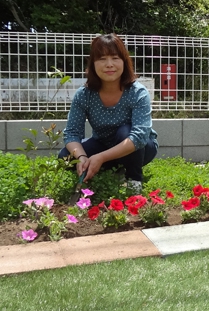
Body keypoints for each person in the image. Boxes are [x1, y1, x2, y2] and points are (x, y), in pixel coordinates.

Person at [59, 33, 158, 193]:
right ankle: (109, 172)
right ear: (93, 64)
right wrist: (82, 157)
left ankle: (134, 181)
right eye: (102, 59)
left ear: (124, 62)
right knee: (65, 156)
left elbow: (139, 136)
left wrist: (101, 157)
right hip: (102, 144)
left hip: (141, 148)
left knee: (125, 131)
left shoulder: (138, 92)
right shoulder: (84, 94)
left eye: (115, 58)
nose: (109, 64)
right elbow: (71, 133)